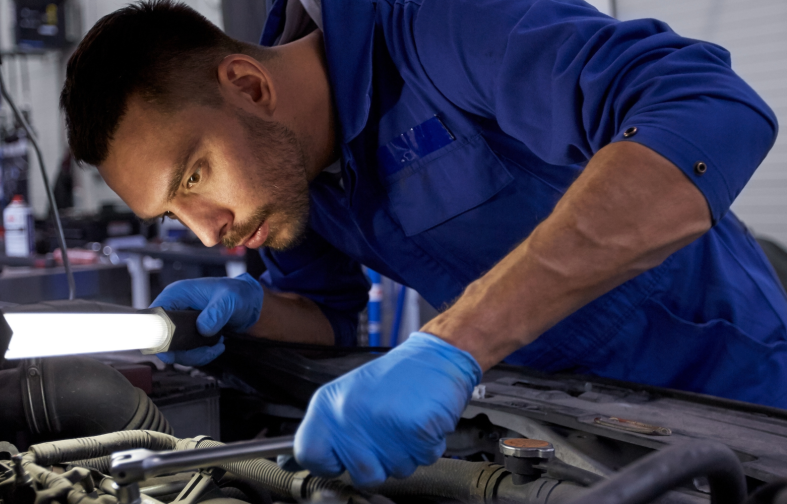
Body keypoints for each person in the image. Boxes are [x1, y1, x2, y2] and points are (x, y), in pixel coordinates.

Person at [60, 0, 786, 487]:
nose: (209, 229)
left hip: (735, 397)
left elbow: (708, 109)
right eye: (174, 213)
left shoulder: (438, 26)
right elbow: (327, 317)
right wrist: (251, 311)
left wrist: (454, 343)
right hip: (556, 429)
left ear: (248, 86)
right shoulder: (290, 180)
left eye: (194, 176)